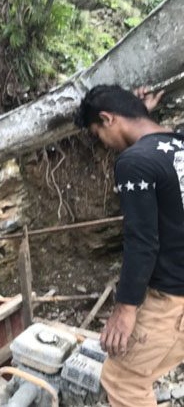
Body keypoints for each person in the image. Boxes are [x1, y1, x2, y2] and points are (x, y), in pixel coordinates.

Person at [74, 85, 184, 407]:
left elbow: (142, 242)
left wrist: (125, 309)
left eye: (97, 135)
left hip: (172, 302)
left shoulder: (134, 163)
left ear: (108, 119)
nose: (103, 146)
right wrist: (142, 112)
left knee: (123, 381)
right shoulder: (178, 144)